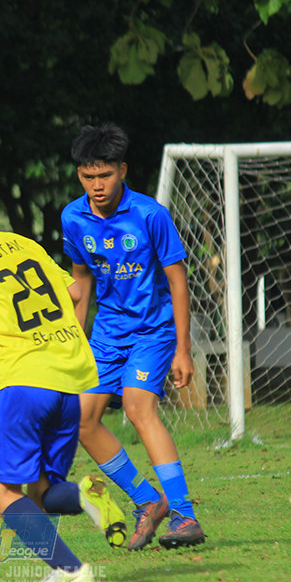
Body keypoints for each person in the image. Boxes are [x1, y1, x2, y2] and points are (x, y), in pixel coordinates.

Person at [0, 166, 118, 582]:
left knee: (0, 491)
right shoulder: (20, 243)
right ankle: (84, 494)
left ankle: (70, 570)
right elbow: (74, 292)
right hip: (69, 380)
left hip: (22, 383)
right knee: (43, 492)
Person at [61, 122, 205, 550]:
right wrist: (74, 343)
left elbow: (178, 282)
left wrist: (183, 350)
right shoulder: (73, 217)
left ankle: (184, 515)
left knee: (139, 407)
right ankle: (148, 501)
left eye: (105, 175)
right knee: (82, 420)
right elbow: (80, 281)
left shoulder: (150, 214)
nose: (97, 185)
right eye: (88, 176)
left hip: (153, 331)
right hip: (106, 335)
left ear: (122, 171)